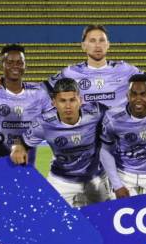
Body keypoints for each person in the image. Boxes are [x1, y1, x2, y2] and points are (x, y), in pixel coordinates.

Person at [10, 78, 109, 207]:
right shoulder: (43, 123)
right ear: (54, 102)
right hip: (61, 180)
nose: (68, 106)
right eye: (62, 101)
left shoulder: (97, 112)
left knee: (106, 215)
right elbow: (22, 142)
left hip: (96, 178)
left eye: (72, 100)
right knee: (51, 216)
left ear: (80, 100)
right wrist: (18, 148)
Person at [44, 24, 146, 108]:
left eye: (102, 40)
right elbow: (41, 93)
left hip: (119, 140)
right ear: (83, 45)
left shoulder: (125, 69)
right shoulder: (70, 73)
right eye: (92, 41)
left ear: (108, 44)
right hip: (86, 142)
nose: (97, 45)